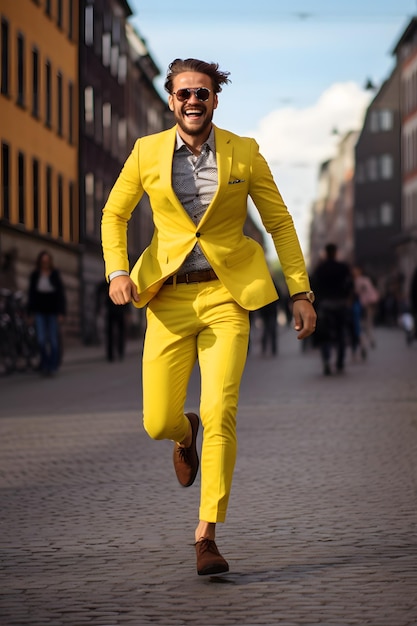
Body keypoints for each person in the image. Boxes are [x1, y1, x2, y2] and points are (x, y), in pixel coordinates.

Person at [101, 58, 316, 576]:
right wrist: (116, 271)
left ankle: (207, 535)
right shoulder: (145, 152)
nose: (192, 101)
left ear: (215, 99)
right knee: (157, 420)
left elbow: (280, 222)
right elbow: (115, 213)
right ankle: (182, 435)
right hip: (167, 299)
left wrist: (301, 292)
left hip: (227, 296)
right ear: (170, 101)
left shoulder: (245, 152)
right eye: (183, 94)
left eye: (202, 92)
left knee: (221, 411)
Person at [311, 243, 352, 375]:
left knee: (325, 335)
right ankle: (340, 362)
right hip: (340, 304)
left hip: (325, 305)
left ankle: (326, 360)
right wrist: (346, 297)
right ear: (335, 252)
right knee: (341, 333)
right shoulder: (343, 268)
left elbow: (313, 287)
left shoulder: (320, 269)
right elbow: (350, 284)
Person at [28, 250, 66, 376]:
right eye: (43, 261)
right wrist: (30, 312)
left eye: (47, 261)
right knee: (41, 340)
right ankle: (44, 364)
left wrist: (61, 312)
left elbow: (60, 295)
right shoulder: (35, 275)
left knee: (53, 340)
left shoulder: (54, 274)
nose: (45, 263)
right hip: (40, 311)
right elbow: (31, 295)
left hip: (53, 311)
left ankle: (52, 365)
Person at [352, 265, 379, 351]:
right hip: (361, 306)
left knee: (365, 325)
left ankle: (366, 342)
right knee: (363, 325)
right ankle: (365, 343)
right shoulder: (362, 280)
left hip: (364, 305)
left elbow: (369, 292)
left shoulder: (361, 281)